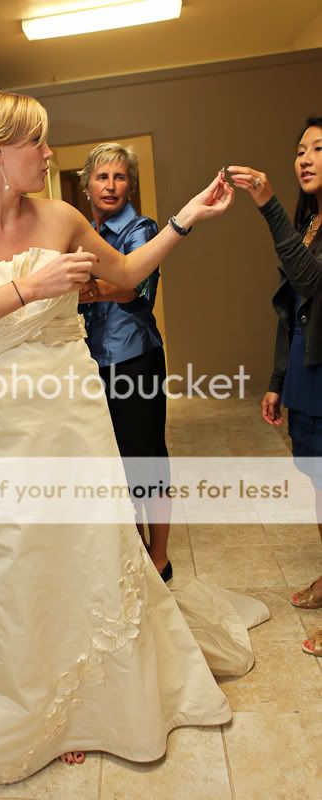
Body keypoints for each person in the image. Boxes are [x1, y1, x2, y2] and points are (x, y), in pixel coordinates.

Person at [0, 90, 267, 789]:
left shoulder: (63, 218)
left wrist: (187, 217)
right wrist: (28, 288)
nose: (49, 154)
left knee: (91, 546)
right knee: (19, 556)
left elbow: (125, 276)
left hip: (73, 412)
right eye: (37, 142)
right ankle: (40, 706)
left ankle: (103, 702)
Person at [230, 117, 322, 658]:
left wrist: (268, 205)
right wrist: (276, 380)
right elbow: (292, 309)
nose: (305, 158)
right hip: (306, 375)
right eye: (300, 150)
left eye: (319, 149)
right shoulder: (310, 222)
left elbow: (310, 279)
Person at [77, 142, 172, 581]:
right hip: (94, 363)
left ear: (130, 184)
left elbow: (135, 286)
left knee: (146, 458)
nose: (111, 185)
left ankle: (160, 557)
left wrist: (88, 289)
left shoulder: (141, 228)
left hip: (136, 359)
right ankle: (136, 552)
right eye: (102, 177)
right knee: (115, 462)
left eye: (119, 177)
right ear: (87, 185)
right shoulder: (83, 232)